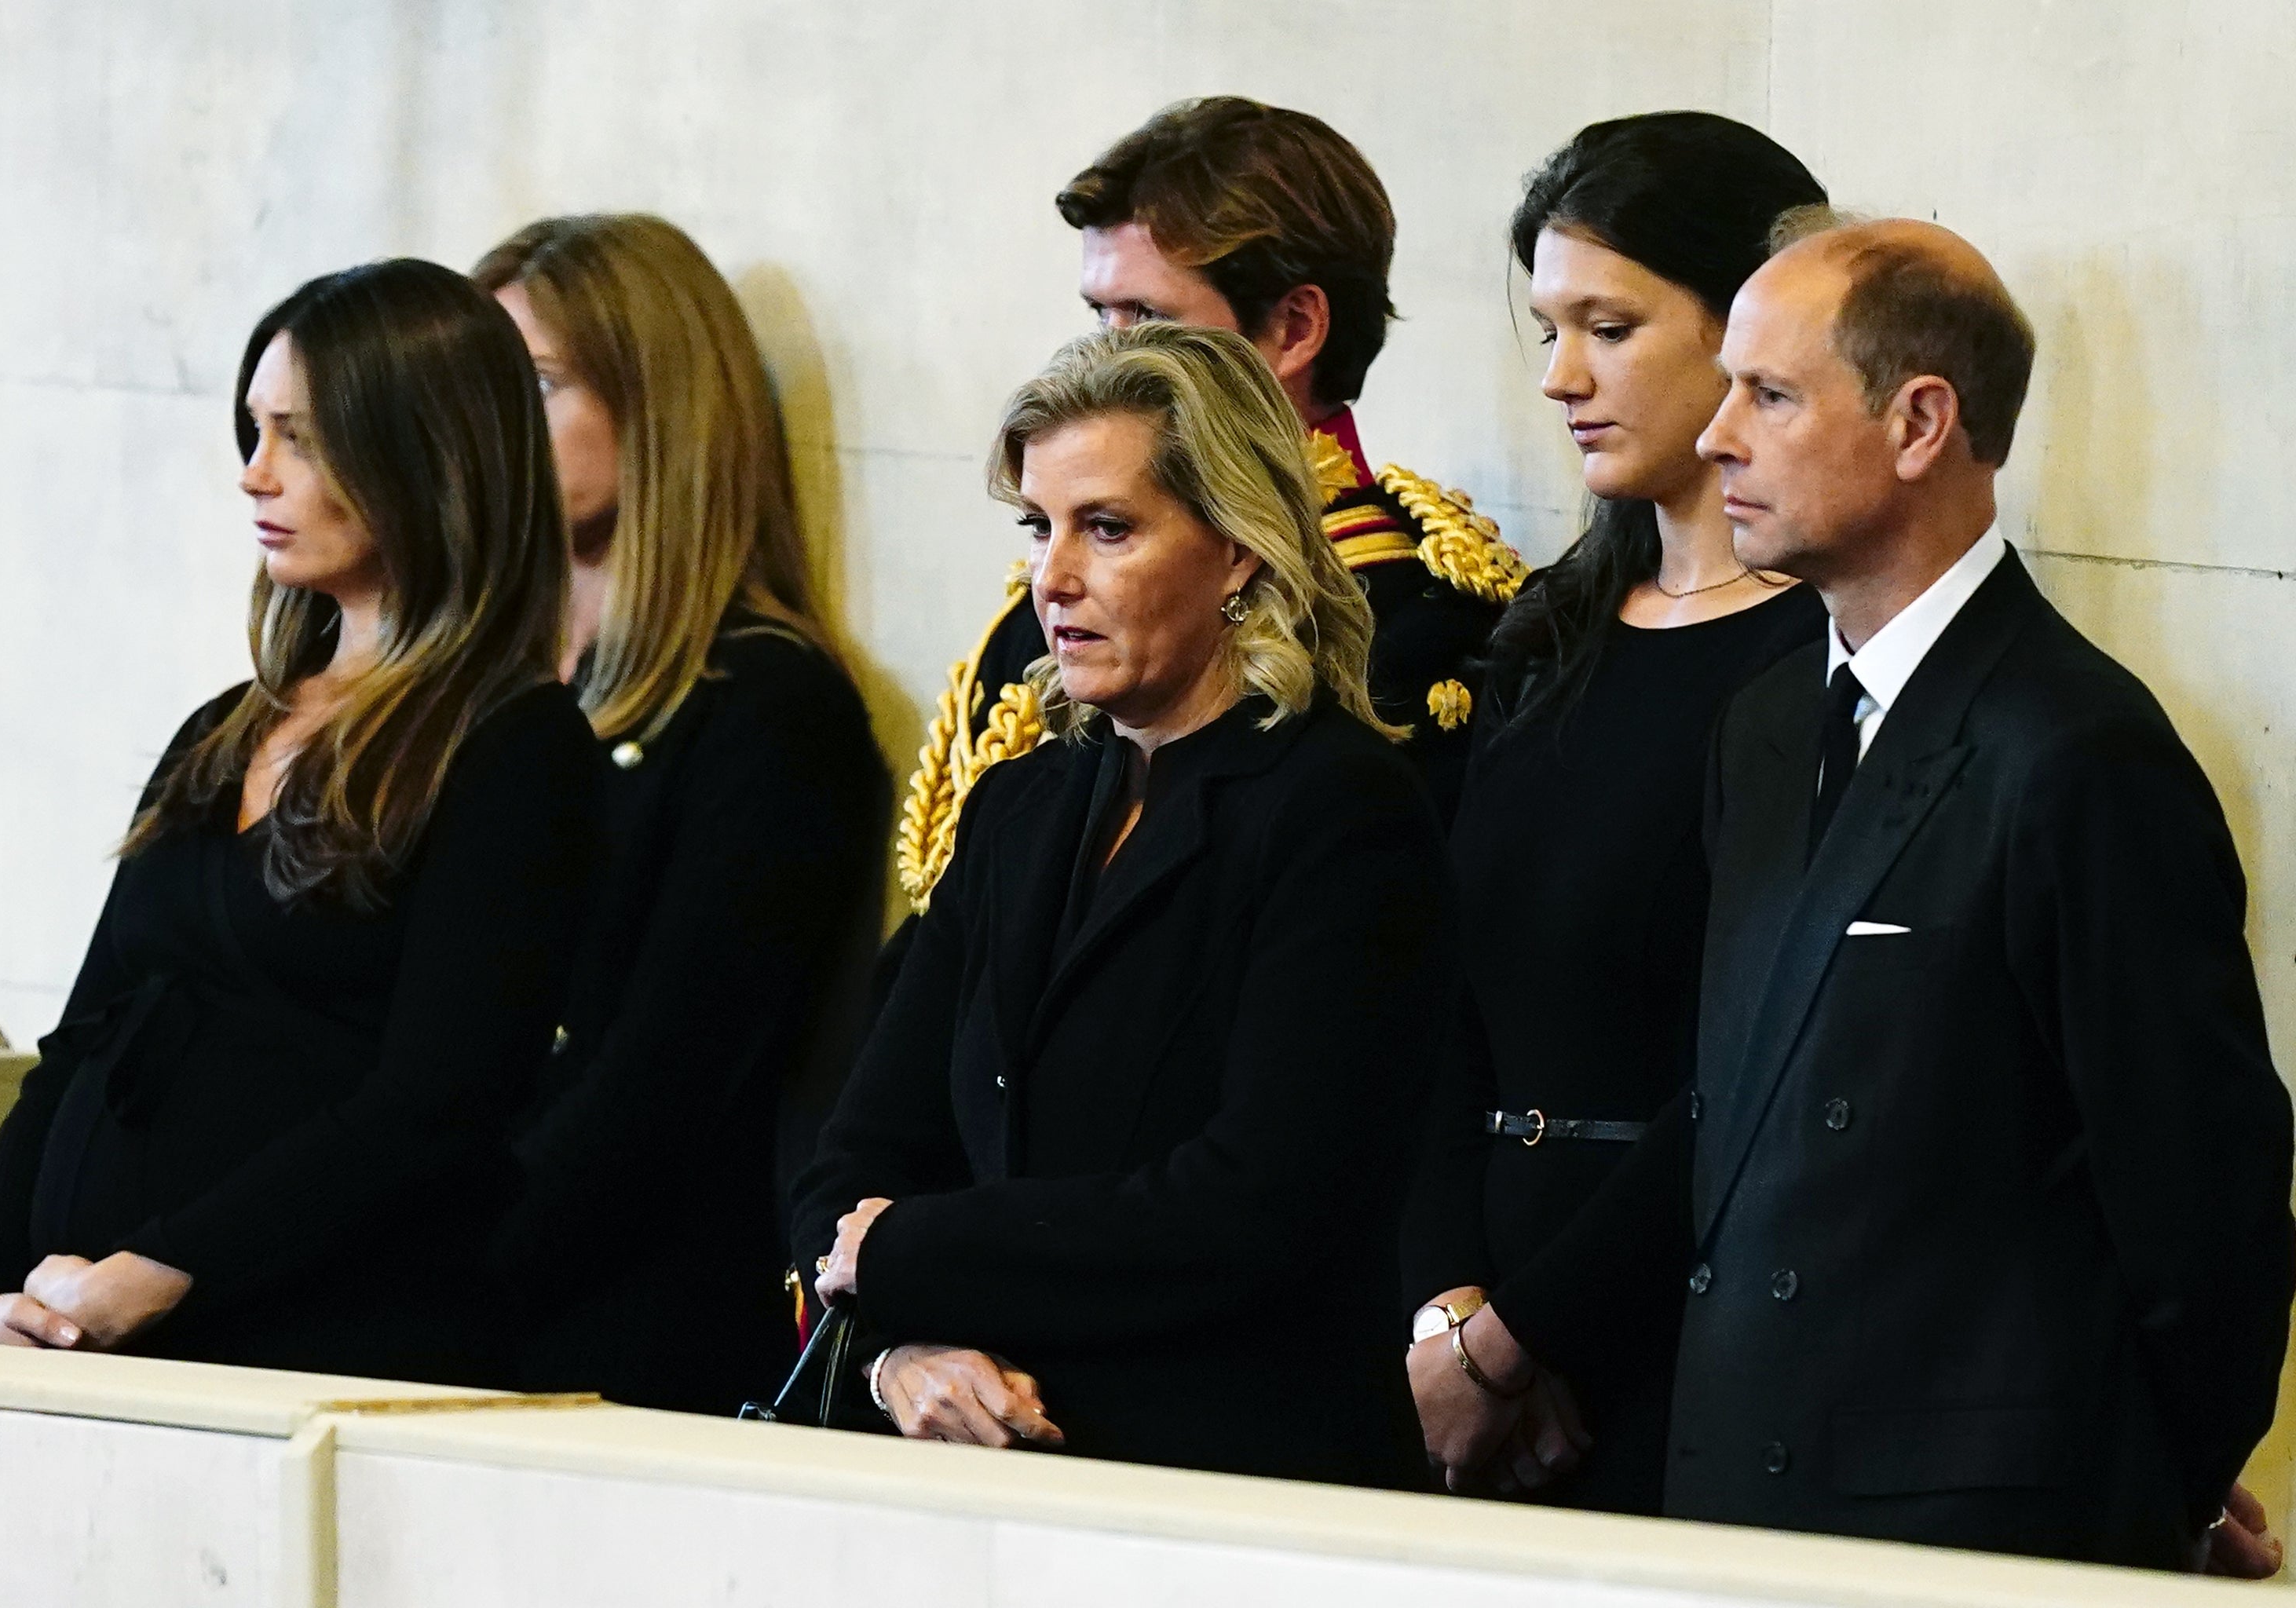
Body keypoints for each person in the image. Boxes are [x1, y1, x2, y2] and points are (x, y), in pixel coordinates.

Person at [1485, 217, 2291, 1570]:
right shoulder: (1758, 726)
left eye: (1771, 395)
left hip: (1973, 1536)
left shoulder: (2077, 750)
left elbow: (2201, 1204)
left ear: (1920, 422)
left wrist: (2152, 1496)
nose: (1715, 435)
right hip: (1735, 1485)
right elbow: (1746, 1101)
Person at [792, 322, 1448, 1488]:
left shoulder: (1340, 804)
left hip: (1238, 1479)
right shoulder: (1021, 805)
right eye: (1038, 527)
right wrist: (905, 1350)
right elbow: (854, 1153)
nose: (1054, 576)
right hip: (997, 1476)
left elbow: (1260, 1203)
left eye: (1109, 528)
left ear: (1238, 550)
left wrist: (908, 1253)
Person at [0, 261, 598, 1387]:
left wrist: (159, 1271)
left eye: (300, 437)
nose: (255, 475)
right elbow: (77, 1049)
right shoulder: (221, 731)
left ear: (423, 450)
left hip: (330, 1356)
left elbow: (433, 1102)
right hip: (98, 1347)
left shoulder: (518, 750)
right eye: (252, 431)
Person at [1402, 112, 1827, 1518]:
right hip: (1473, 1318)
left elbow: (1759, 1060)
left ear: (1744, 334)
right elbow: (1438, 997)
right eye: (1546, 327)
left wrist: (1532, 1339)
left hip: (1688, 1326)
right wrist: (1448, 1316)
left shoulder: (1818, 661)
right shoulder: (1548, 624)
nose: (1558, 376)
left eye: (1608, 324)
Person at [892, 96, 1526, 941]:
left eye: (1147, 320)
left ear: (1294, 328)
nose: (1104, 356)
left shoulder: (1414, 619)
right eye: (1098, 316)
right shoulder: (1050, 591)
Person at [473, 214, 888, 1415]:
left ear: (657, 404)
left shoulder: (769, 708)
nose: (492, 422)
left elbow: (660, 1087)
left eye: (537, 384)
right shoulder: (474, 685)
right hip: (445, 1291)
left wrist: (431, 1267)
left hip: (623, 1339)